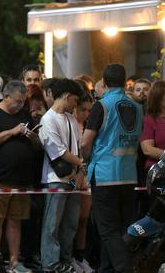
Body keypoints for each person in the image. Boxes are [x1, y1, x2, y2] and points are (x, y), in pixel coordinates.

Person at [80, 63, 142, 273]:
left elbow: (84, 142)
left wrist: (86, 160)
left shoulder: (102, 105)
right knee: (122, 227)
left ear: (104, 83)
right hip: (129, 175)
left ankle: (125, 268)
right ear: (125, 83)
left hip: (105, 175)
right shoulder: (137, 107)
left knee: (107, 230)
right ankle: (107, 269)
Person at [0, 80, 41, 273]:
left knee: (16, 220)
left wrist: (34, 139)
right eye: (17, 101)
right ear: (6, 96)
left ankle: (15, 261)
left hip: (21, 179)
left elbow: (36, 145)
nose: (20, 105)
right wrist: (11, 132)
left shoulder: (24, 115)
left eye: (23, 101)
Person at [38, 79, 85, 273]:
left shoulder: (71, 119)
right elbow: (58, 151)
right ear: (66, 96)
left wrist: (80, 171)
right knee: (52, 225)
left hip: (72, 179)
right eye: (75, 100)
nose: (76, 105)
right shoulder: (47, 119)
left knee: (71, 224)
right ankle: (50, 263)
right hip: (55, 179)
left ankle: (66, 259)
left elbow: (78, 147)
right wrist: (81, 164)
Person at [71, 93, 94, 273]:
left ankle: (80, 256)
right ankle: (69, 256)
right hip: (71, 177)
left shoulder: (91, 127)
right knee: (71, 220)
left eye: (89, 110)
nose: (86, 114)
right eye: (83, 110)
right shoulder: (70, 124)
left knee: (83, 220)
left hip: (88, 177)